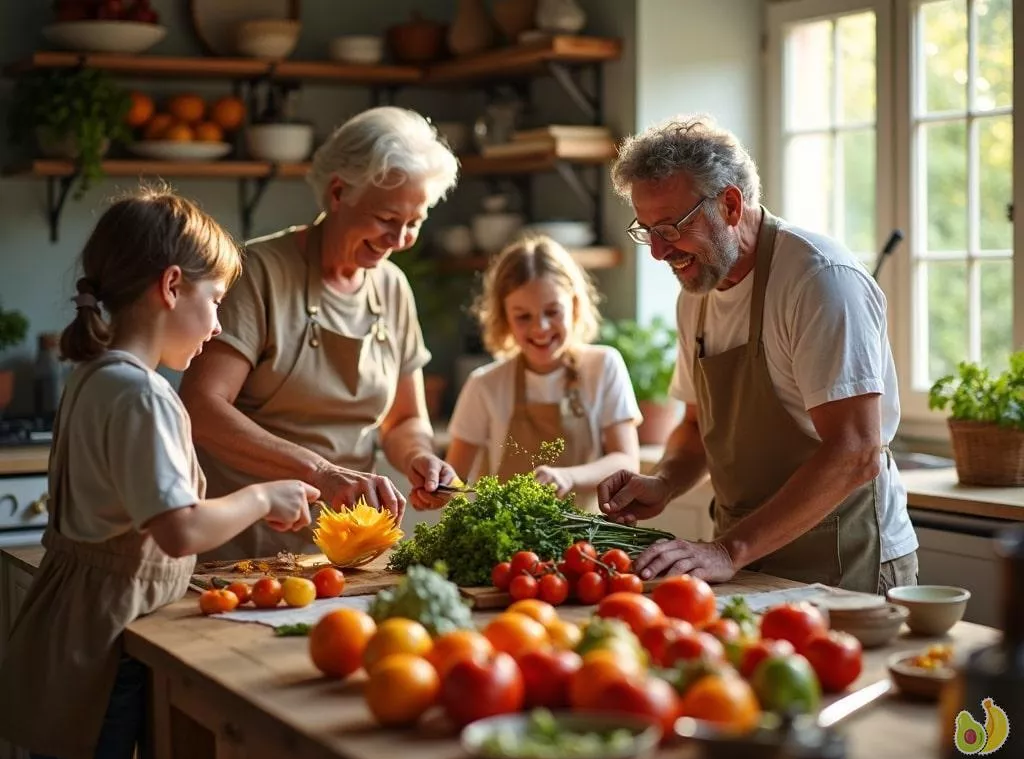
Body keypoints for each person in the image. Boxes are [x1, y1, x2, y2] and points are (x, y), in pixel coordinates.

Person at [0, 188, 319, 759]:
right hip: (104, 645)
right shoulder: (143, 394)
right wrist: (262, 495)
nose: (219, 325)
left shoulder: (93, 377)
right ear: (172, 287)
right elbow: (179, 530)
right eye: (216, 300)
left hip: (70, 628)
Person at [597, 114, 919, 595]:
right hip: (748, 559)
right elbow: (696, 428)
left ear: (729, 204)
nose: (659, 254)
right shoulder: (698, 292)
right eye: (647, 230)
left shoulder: (817, 280)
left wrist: (728, 551)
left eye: (670, 228)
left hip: (844, 558)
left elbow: (855, 451)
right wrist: (663, 482)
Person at [179, 106, 461, 560]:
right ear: (337, 192)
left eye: (416, 222)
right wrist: (323, 472)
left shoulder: (392, 287)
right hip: (243, 547)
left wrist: (418, 459)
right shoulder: (258, 273)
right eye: (388, 218)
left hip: (350, 550)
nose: (400, 239)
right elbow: (202, 407)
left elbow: (404, 420)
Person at [446, 235, 641, 511]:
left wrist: (568, 476)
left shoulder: (603, 366)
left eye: (552, 311)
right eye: (523, 316)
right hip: (509, 548)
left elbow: (626, 461)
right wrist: (433, 485)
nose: (540, 327)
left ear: (573, 306)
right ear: (504, 317)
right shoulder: (484, 385)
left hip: (586, 544)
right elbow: (454, 480)